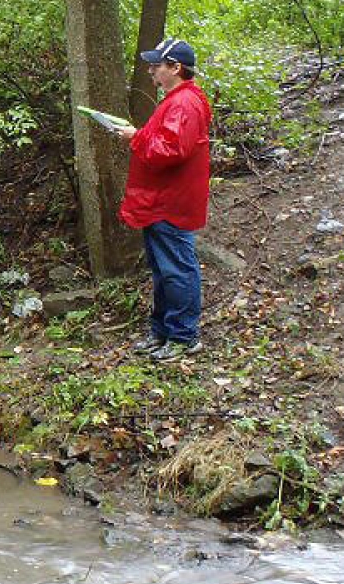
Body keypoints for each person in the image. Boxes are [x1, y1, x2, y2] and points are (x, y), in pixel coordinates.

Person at [115, 37, 213, 362]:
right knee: (162, 270)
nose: (151, 70)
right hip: (160, 201)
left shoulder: (184, 103)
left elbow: (170, 150)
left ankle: (184, 337)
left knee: (176, 271)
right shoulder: (177, 100)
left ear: (176, 68)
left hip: (171, 203)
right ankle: (163, 332)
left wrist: (136, 136)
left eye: (157, 65)